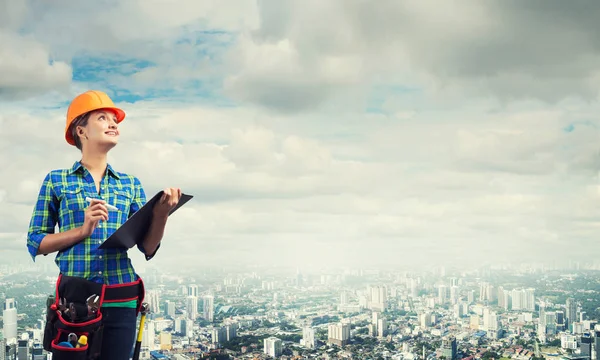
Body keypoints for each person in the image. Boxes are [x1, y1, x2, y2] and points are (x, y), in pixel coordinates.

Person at [26, 90, 181, 360]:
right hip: (75, 302)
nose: (113, 124)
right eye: (102, 117)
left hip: (122, 296)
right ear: (81, 130)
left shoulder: (130, 184)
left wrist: (162, 214)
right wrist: (83, 230)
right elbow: (36, 242)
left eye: (115, 120)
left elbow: (147, 247)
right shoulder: (57, 180)